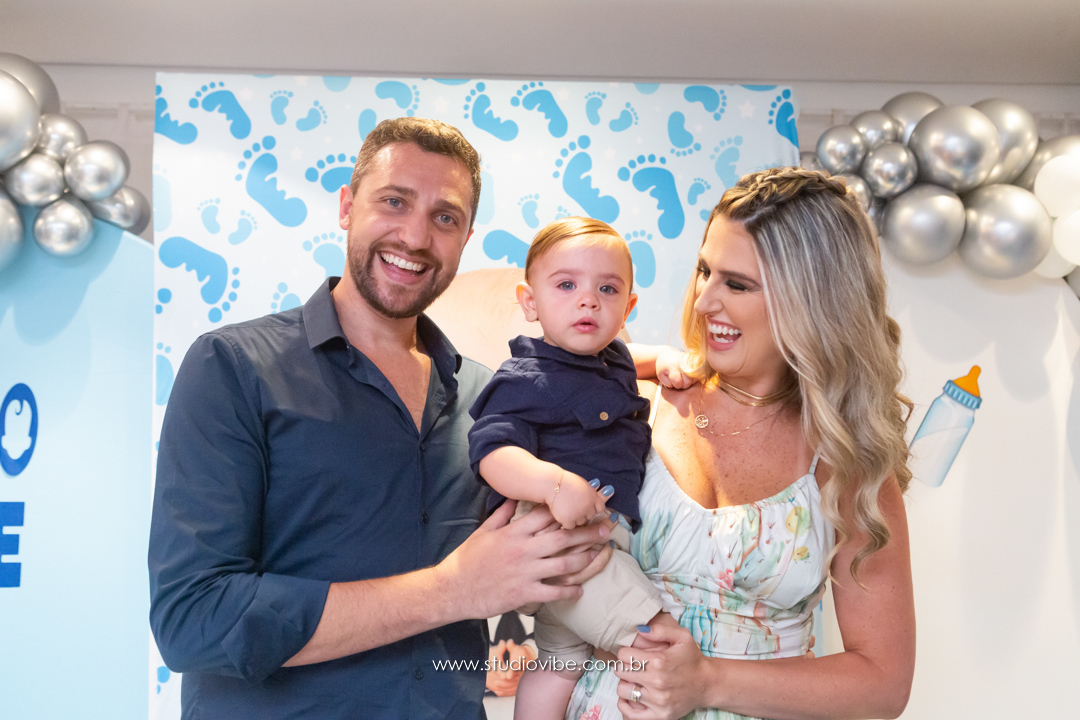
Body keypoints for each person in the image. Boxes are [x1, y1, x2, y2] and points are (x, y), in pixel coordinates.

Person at [148, 117, 614, 720]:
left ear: (466, 237)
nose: (415, 236)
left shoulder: (489, 396)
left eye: (444, 217)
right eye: (394, 201)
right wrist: (450, 591)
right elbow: (193, 619)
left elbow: (559, 542)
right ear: (347, 206)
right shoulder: (233, 368)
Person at [565, 167, 916, 720]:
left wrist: (706, 681)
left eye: (737, 284)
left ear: (813, 300)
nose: (704, 301)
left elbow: (882, 683)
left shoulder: (847, 462)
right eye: (705, 271)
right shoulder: (635, 402)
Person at [468, 218, 677, 720]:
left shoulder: (615, 360)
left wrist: (667, 359)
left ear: (627, 308)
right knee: (657, 641)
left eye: (607, 289)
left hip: (598, 541)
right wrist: (553, 483)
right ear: (530, 302)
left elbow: (634, 359)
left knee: (560, 662)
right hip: (562, 540)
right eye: (566, 285)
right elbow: (491, 451)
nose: (588, 301)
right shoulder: (524, 378)